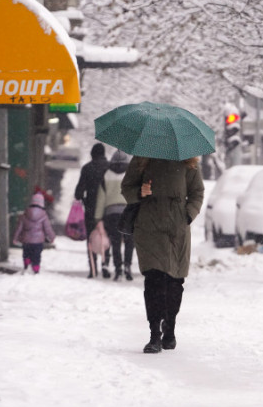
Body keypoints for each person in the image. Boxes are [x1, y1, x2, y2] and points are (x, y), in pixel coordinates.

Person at [121, 155, 205, 353]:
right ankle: (154, 335)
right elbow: (127, 187)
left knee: (174, 281)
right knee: (154, 279)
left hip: (177, 228)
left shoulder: (188, 161)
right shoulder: (142, 159)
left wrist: (187, 214)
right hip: (149, 226)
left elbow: (197, 193)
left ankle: (170, 327)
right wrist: (140, 192)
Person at [94, 150, 135, 281]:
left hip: (112, 213)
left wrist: (98, 217)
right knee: (129, 241)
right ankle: (127, 265)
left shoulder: (106, 175)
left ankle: (118, 268)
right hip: (128, 212)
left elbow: (101, 198)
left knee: (115, 242)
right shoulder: (131, 175)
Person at [74, 143, 110, 278]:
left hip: (90, 208)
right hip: (107, 208)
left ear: (92, 154)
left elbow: (78, 193)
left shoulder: (87, 168)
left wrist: (83, 199)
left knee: (91, 238)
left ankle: (92, 267)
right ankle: (105, 265)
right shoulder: (110, 168)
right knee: (106, 236)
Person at [13, 192, 56, 274]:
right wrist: (52, 237)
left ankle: (26, 263)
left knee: (26, 253)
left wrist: (15, 238)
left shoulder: (25, 214)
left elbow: (19, 228)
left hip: (26, 240)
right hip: (38, 241)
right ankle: (36, 268)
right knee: (36, 256)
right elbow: (47, 228)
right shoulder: (44, 215)